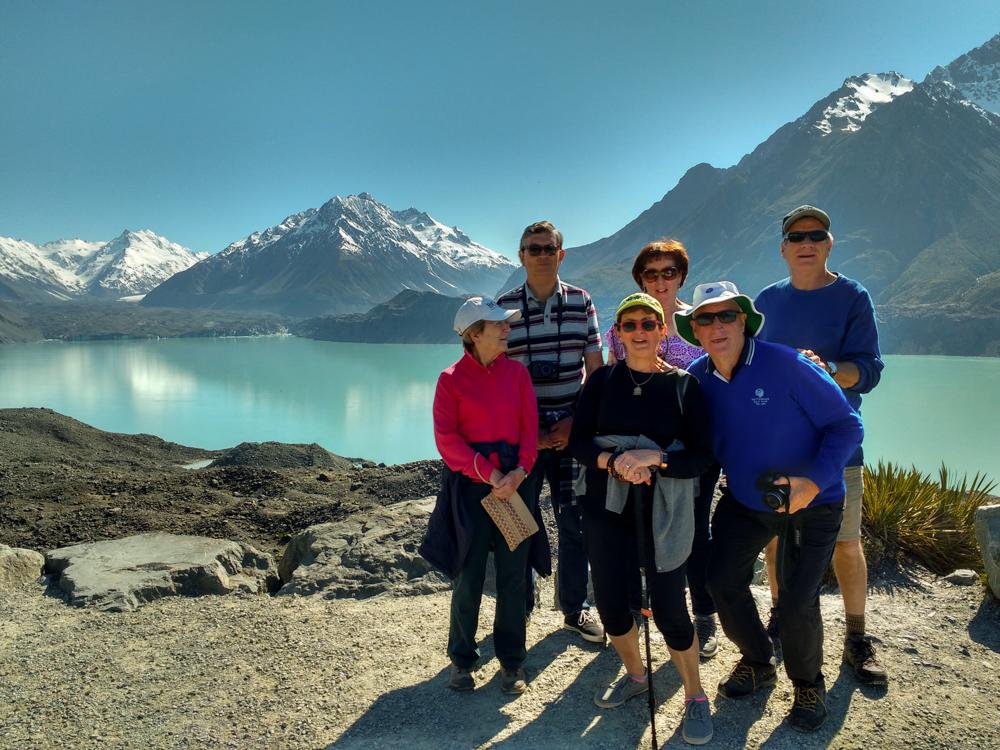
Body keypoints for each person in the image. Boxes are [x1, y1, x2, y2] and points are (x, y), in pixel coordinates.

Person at [676, 281, 863, 732]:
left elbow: (846, 426)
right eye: (706, 318)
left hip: (813, 501)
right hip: (746, 499)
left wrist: (813, 482)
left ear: (744, 321)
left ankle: (807, 685)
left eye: (726, 316)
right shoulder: (698, 379)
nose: (717, 326)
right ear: (695, 331)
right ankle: (759, 660)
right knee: (720, 581)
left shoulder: (790, 365)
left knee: (797, 600)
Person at [569, 292, 715, 746]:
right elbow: (579, 445)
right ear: (617, 333)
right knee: (612, 600)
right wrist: (617, 461)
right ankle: (635, 675)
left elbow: (703, 457)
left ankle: (694, 695)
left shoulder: (684, 387)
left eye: (648, 324)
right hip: (605, 505)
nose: (638, 332)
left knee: (670, 605)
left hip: (663, 511)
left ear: (661, 330)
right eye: (628, 325)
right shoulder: (601, 382)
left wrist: (655, 458)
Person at [755, 205, 887, 685]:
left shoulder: (853, 297)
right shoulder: (767, 301)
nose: (805, 242)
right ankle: (776, 620)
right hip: (778, 448)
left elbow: (868, 371)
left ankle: (857, 637)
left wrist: (828, 369)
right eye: (796, 236)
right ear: (784, 249)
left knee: (846, 543)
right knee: (773, 541)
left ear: (829, 244)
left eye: (816, 234)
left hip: (835, 447)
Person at [605, 239, 722, 659]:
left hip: (692, 446)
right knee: (642, 529)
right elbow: (616, 384)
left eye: (668, 272)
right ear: (640, 278)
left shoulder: (700, 324)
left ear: (681, 277)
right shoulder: (623, 328)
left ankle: (703, 613)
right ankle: (645, 609)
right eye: (650, 273)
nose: (660, 281)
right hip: (639, 449)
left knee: (694, 529)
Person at [422, 296, 540, 694]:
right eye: (497, 324)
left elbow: (529, 431)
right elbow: (448, 442)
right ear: (474, 335)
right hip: (473, 492)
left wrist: (520, 472)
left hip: (511, 486)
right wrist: (492, 475)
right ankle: (462, 660)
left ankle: (512, 663)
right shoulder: (450, 380)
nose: (507, 328)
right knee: (468, 578)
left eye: (506, 323)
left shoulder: (517, 375)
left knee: (513, 579)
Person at [497, 220, 605, 643]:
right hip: (522, 432)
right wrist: (532, 433)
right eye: (532, 248)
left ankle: (574, 608)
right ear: (520, 256)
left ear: (561, 255)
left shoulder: (582, 302)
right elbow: (496, 377)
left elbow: (595, 373)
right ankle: (520, 606)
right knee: (519, 520)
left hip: (571, 427)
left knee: (574, 518)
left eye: (548, 248)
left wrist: (575, 422)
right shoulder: (503, 307)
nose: (541, 255)